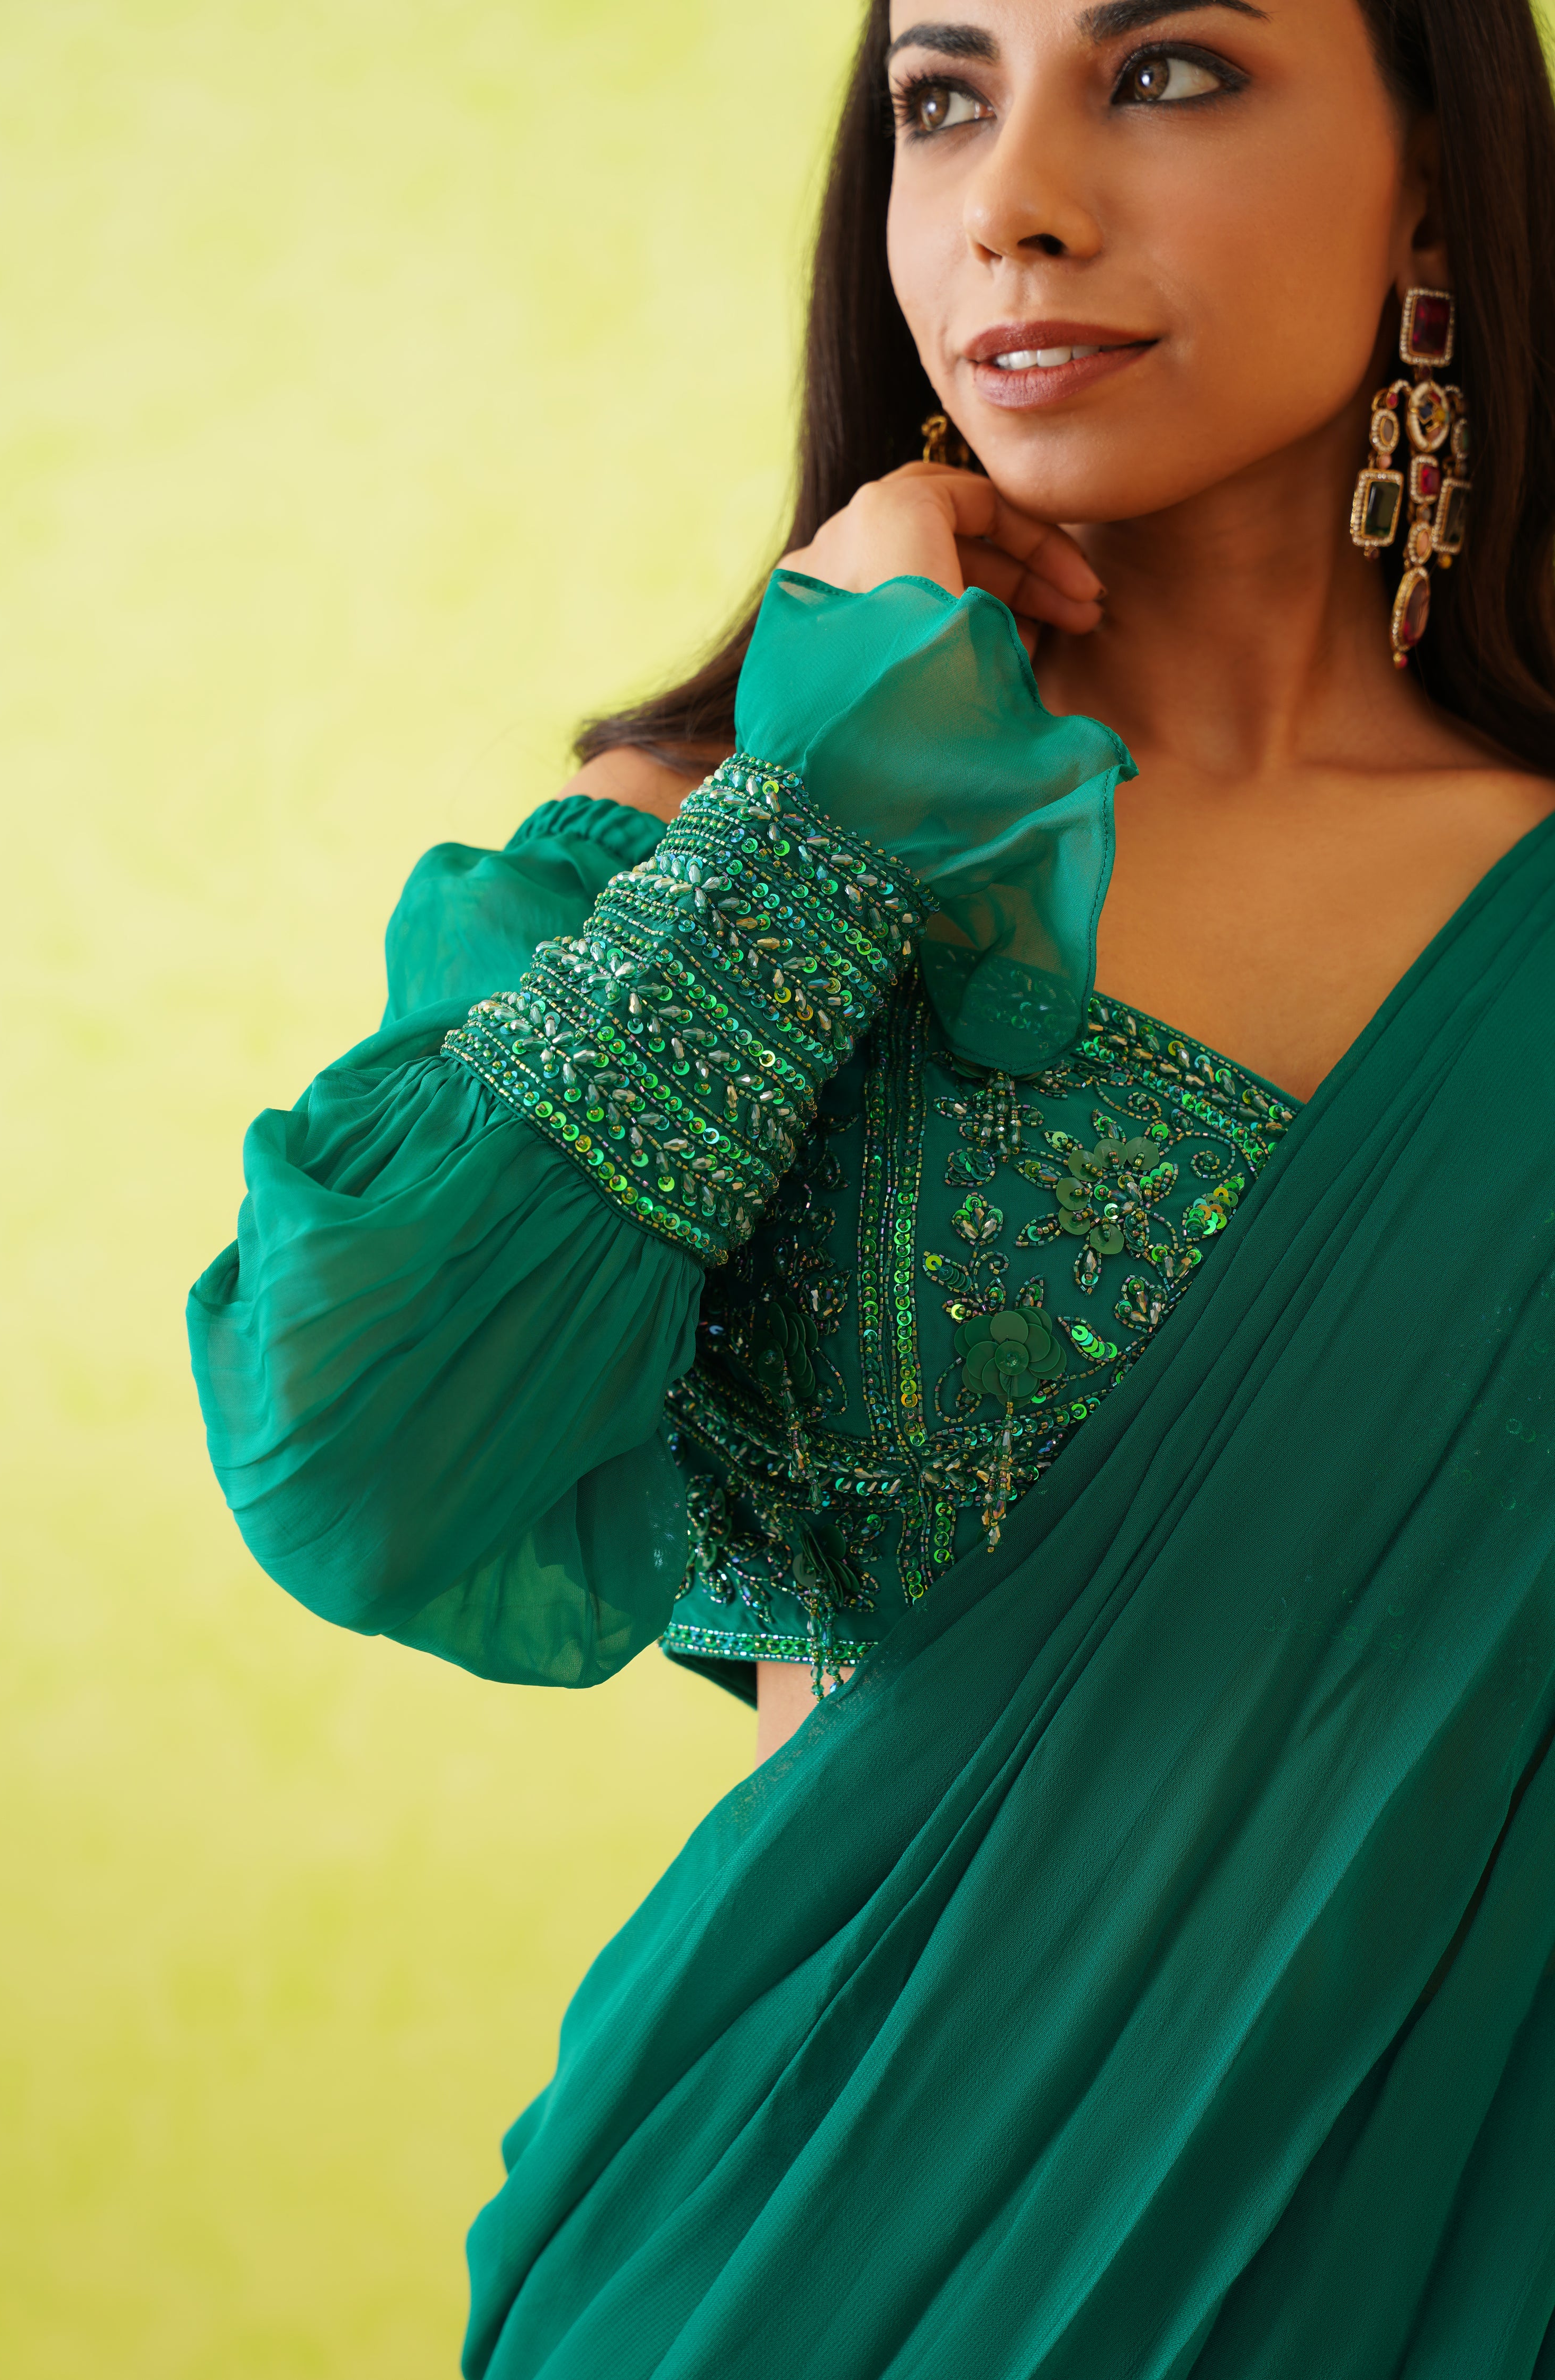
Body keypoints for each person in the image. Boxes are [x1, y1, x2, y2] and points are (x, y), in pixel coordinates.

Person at [189, 0, 1555, 2369]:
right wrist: (821, 833)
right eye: (945, 96)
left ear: (1437, 173)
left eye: (1167, 71)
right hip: (793, 2258)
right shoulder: (705, 838)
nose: (1015, 194)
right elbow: (362, 1462)